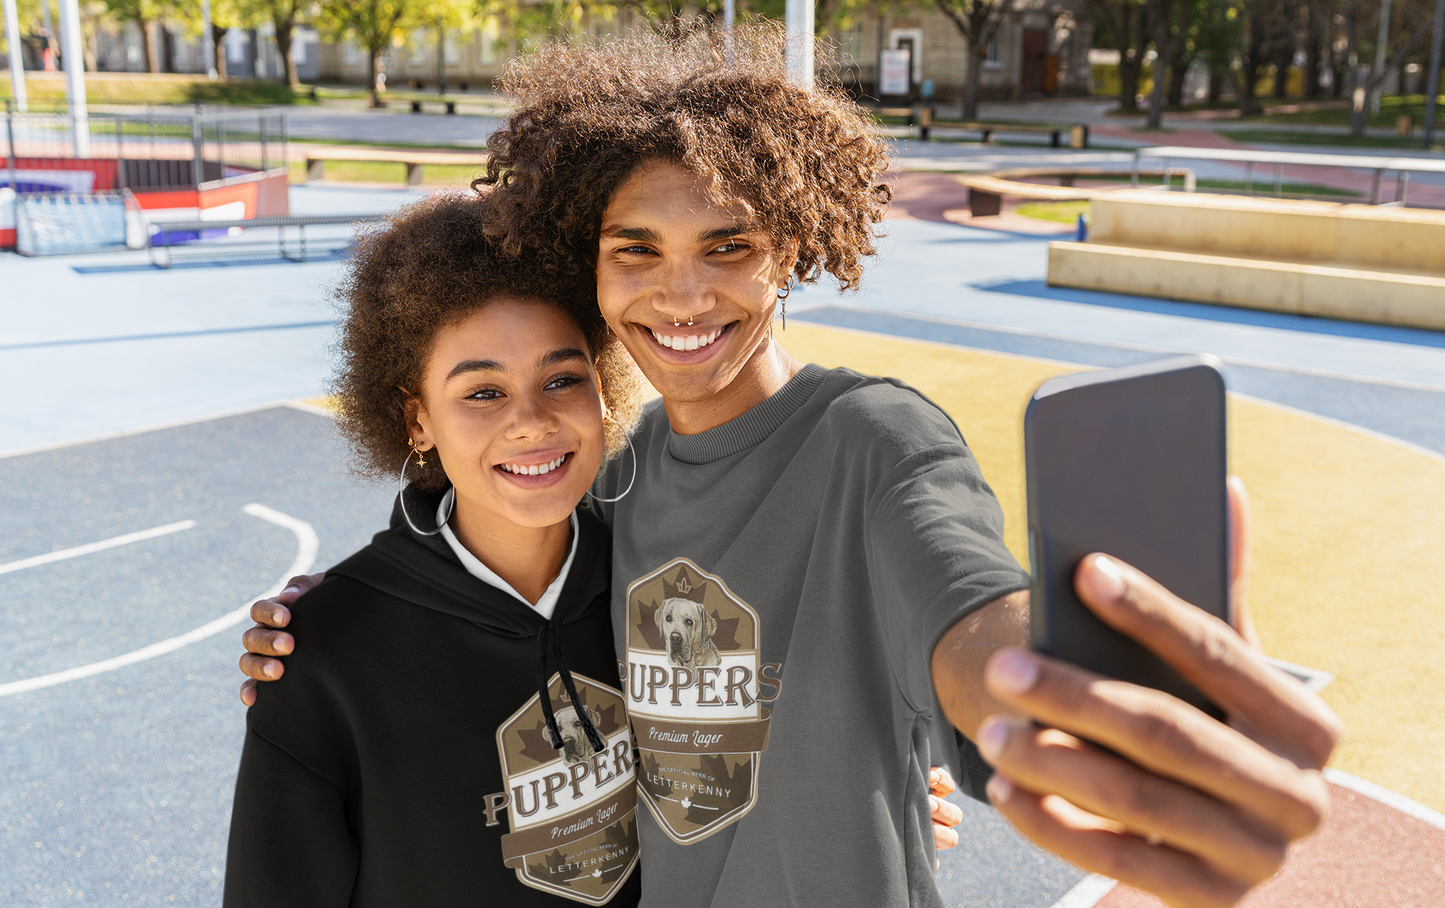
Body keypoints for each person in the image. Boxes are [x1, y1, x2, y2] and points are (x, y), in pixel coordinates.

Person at [240, 26, 1341, 908]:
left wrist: (1038, 714)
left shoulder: (874, 441)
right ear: (594, 263)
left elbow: (962, 601)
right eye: (638, 251)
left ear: (793, 248)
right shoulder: (621, 486)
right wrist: (335, 613)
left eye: (728, 245)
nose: (680, 294)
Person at [225, 192, 649, 906]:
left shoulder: (661, 579)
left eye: (561, 378)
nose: (530, 421)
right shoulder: (323, 656)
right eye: (482, 392)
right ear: (416, 419)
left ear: (603, 389)